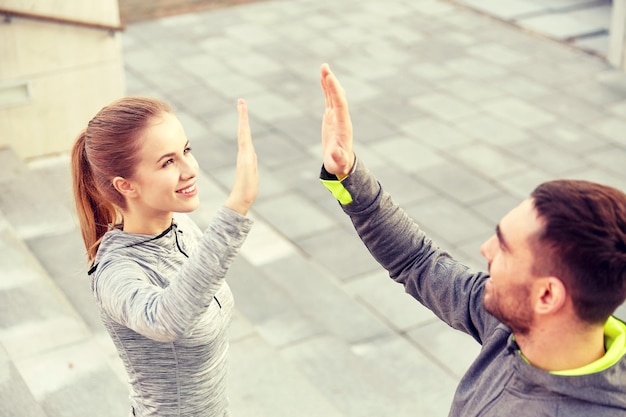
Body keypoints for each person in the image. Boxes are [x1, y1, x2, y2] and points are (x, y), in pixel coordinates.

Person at [318, 63, 626, 416]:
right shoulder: (514, 325)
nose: (485, 250)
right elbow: (418, 262)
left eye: (504, 247)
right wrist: (348, 175)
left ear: (546, 295)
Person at [71, 96, 258, 417]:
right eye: (168, 162)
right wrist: (237, 207)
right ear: (125, 185)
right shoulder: (114, 272)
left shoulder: (181, 227)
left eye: (186, 150)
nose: (191, 169)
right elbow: (166, 320)